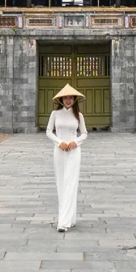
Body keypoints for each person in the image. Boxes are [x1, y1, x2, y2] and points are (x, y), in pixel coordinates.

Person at [45, 84, 87, 232]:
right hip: (59, 151)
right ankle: (71, 218)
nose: (68, 100)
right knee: (61, 183)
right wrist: (59, 142)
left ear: (74, 99)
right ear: (61, 99)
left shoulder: (78, 116)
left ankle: (63, 222)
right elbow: (49, 132)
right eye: (66, 97)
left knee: (71, 183)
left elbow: (84, 133)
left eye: (70, 97)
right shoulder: (55, 114)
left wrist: (75, 142)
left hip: (74, 152)